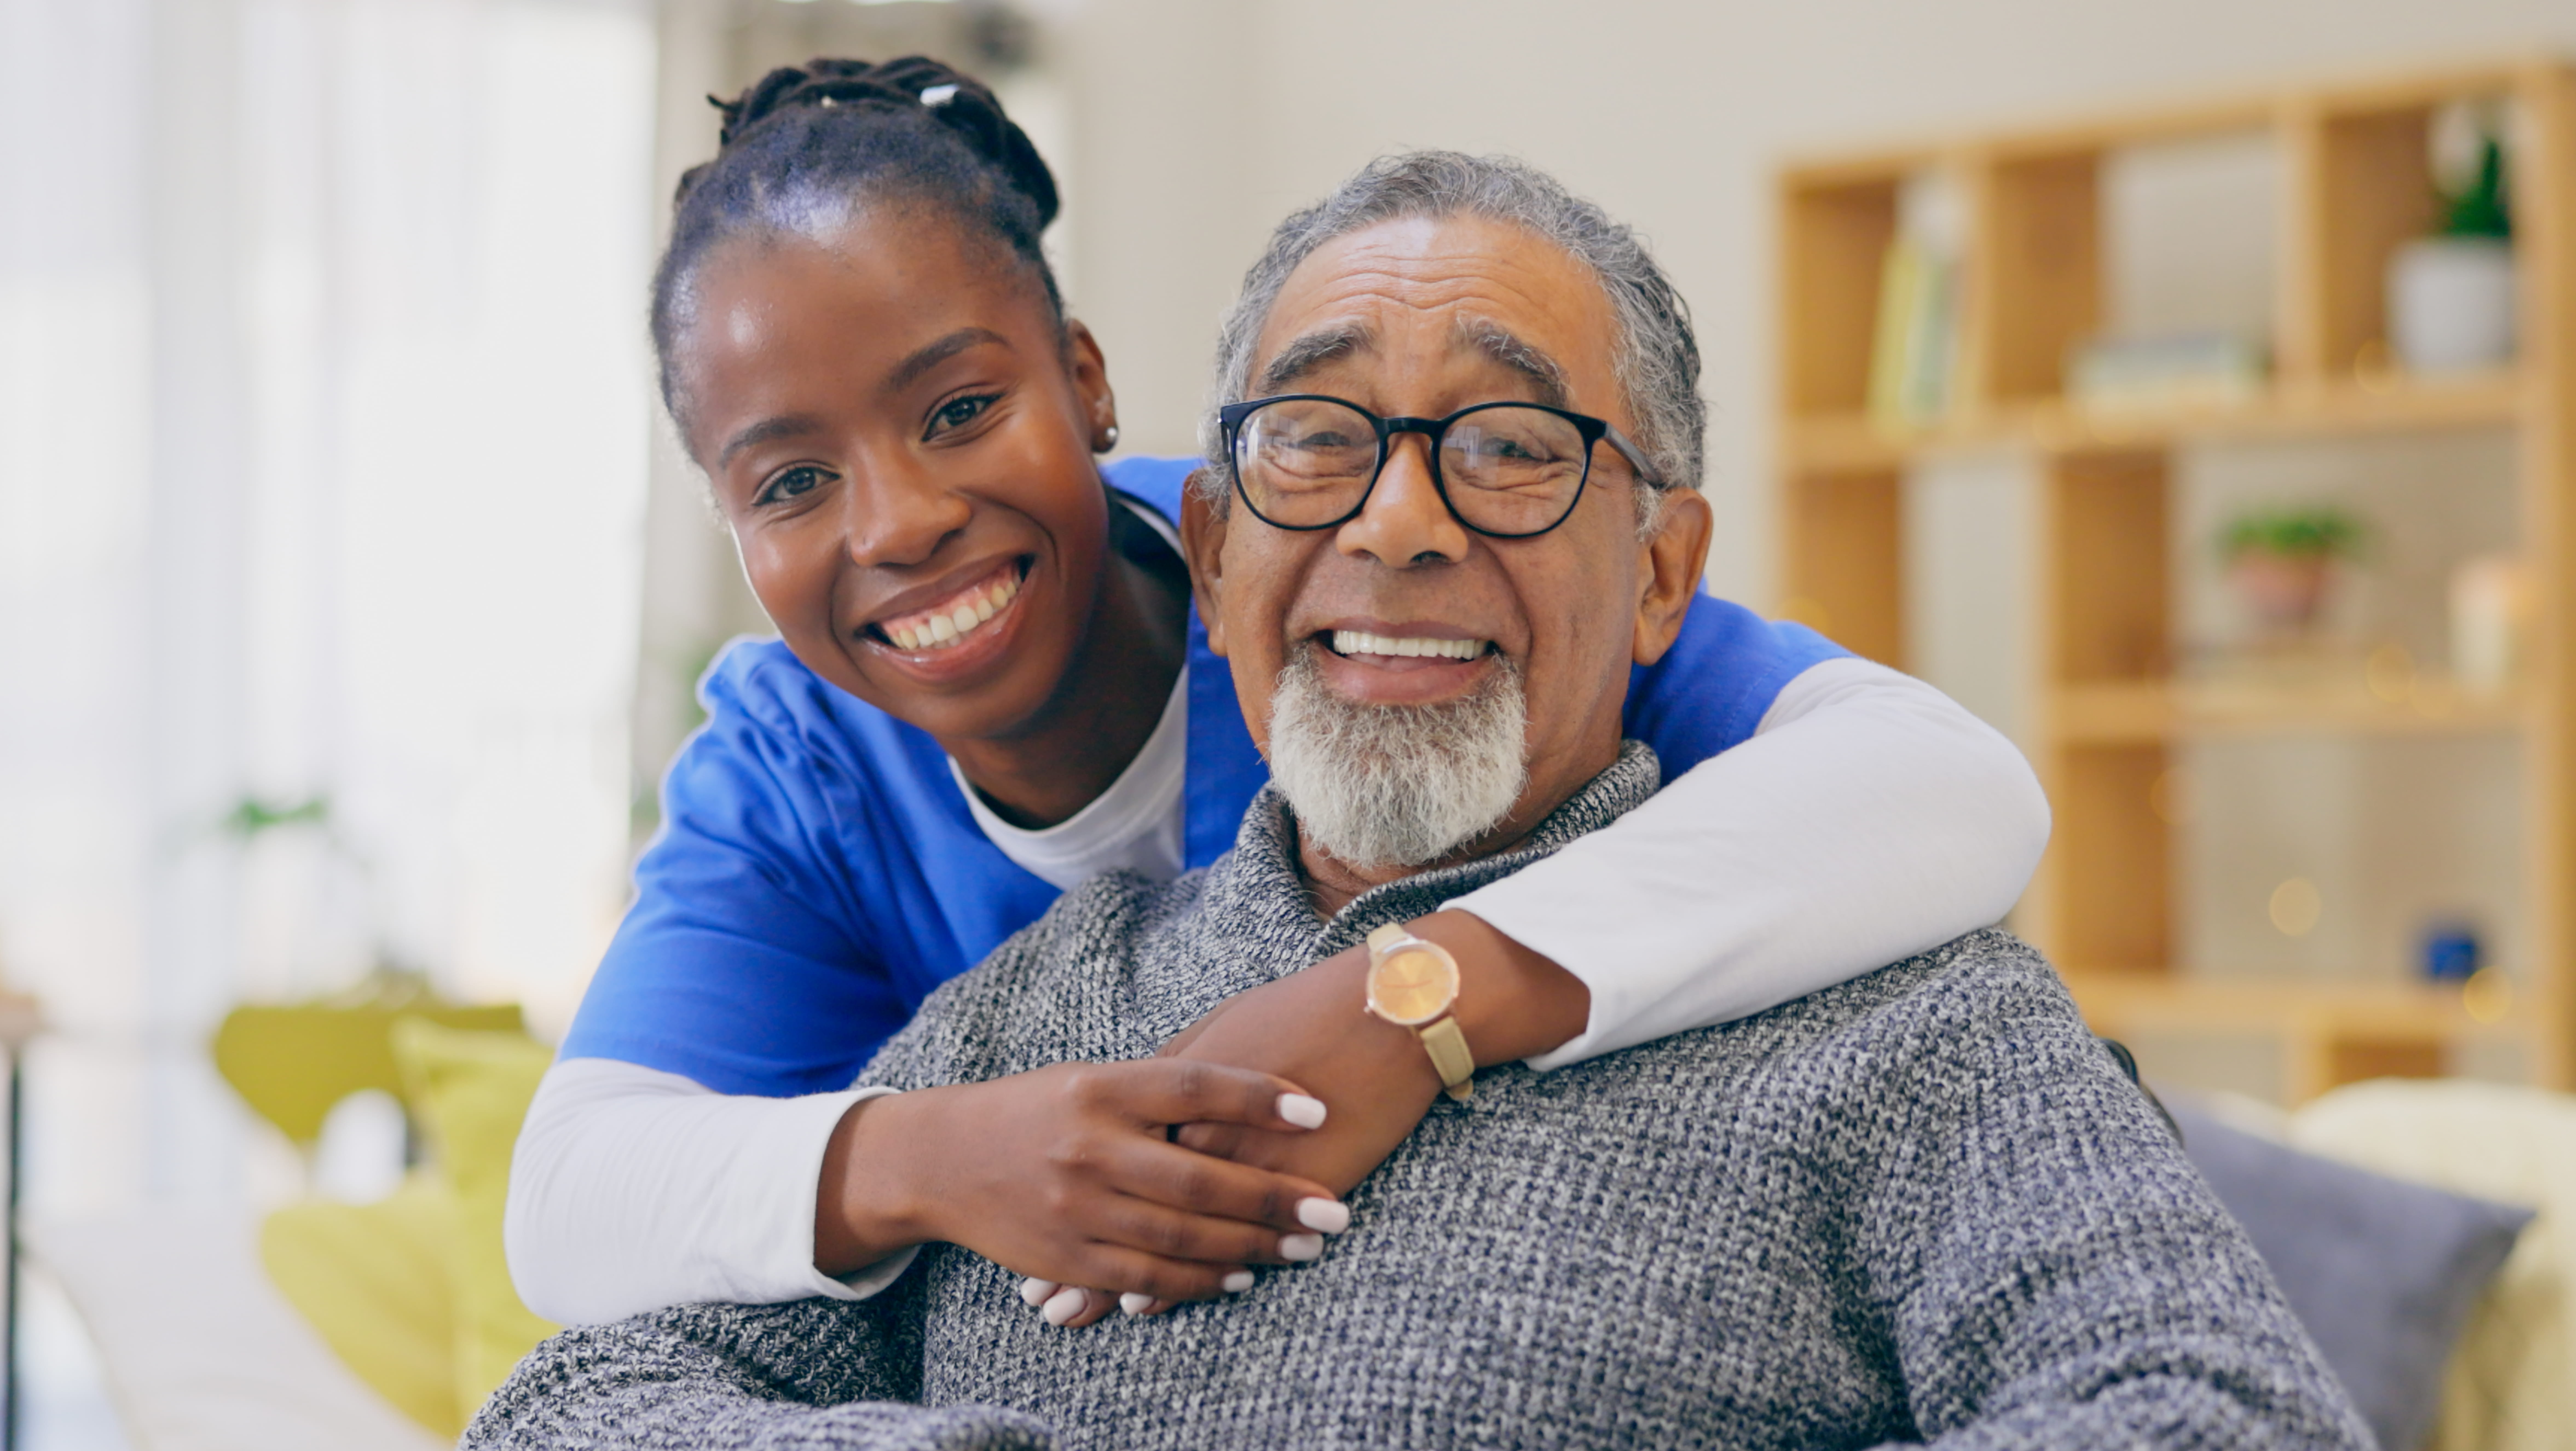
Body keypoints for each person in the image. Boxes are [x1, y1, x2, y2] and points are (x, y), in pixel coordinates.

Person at [465, 150, 2367, 1450]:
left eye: (1514, 446)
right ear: (1207, 547)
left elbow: (2216, 1409)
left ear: (1657, 575)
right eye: (1313, 442)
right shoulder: (1033, 1021)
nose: (1397, 516)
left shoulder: (1903, 1012)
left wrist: (1431, 999)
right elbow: (574, 1400)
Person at [505, 57, 2052, 1329]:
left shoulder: (1350, 585)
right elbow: (573, 1200)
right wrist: (953, 1150)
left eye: (963, 408)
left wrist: (1412, 998)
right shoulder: (801, 765)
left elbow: (1948, 784)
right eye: (789, 480)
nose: (898, 520)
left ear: (1091, 388)